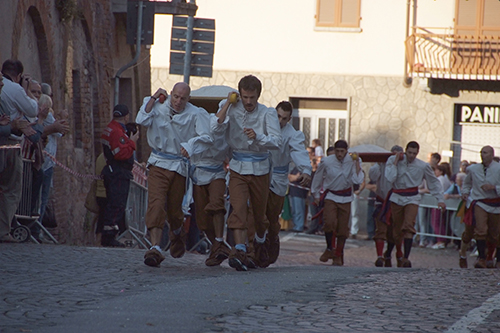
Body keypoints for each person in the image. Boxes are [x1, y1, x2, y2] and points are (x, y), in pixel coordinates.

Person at [136, 82, 212, 267]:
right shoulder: (157, 105)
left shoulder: (196, 113)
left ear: (188, 99)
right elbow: (142, 119)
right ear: (171, 94)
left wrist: (190, 145)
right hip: (158, 163)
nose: (178, 101)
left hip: (178, 166)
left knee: (174, 210)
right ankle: (155, 248)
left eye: (183, 98)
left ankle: (177, 232)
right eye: (176, 97)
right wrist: (154, 98)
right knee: (156, 204)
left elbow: (206, 137)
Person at [213, 75, 281, 271]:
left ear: (258, 95)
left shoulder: (267, 113)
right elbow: (216, 126)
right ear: (239, 94)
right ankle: (239, 249)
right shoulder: (230, 108)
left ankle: (259, 242)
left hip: (260, 168)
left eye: (252, 97)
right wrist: (228, 102)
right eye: (245, 97)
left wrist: (258, 137)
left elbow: (277, 142)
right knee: (239, 208)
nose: (248, 102)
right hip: (238, 167)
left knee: (259, 217)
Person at [263, 101, 311, 266]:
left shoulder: (292, 134)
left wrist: (305, 170)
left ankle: (272, 241)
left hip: (278, 178)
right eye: (277, 116)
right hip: (260, 174)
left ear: (289, 119)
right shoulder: (264, 126)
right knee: (255, 213)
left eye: (284, 118)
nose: (280, 121)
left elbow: (299, 151)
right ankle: (252, 249)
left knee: (272, 216)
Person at [385, 141, 446, 268]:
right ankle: (395, 253)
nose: (412, 155)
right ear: (405, 151)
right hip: (396, 197)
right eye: (409, 153)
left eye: (414, 153)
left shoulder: (422, 166)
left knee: (409, 226)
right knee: (396, 229)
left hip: (412, 197)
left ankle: (406, 258)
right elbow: (390, 178)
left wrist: (440, 199)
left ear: (417, 153)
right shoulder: (393, 160)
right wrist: (395, 162)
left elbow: (433, 182)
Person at [311, 139, 364, 266]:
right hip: (331, 196)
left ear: (347, 151)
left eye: (342, 151)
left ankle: (338, 254)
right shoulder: (327, 161)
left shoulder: (352, 160)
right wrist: (316, 194)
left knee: (342, 229)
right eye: (337, 151)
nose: (340, 154)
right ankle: (330, 248)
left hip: (346, 197)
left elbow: (357, 179)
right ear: (334, 151)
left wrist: (356, 162)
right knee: (329, 222)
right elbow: (318, 177)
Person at [190, 109, 231, 267]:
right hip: (200, 173)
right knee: (202, 220)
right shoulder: (198, 126)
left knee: (217, 205)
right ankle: (217, 247)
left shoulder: (227, 131)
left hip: (217, 172)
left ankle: (219, 241)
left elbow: (233, 149)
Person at [0, 71, 36, 242]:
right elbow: (32, 109)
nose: (2, 84)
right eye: (0, 82)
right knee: (10, 189)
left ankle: (4, 229)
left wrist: (14, 127)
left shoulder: (2, 100)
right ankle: (3, 231)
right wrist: (11, 127)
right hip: (7, 147)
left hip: (8, 145)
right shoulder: (13, 92)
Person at [100, 104, 139, 247]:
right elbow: (121, 154)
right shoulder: (117, 131)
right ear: (126, 116)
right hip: (118, 172)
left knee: (114, 203)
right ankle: (109, 236)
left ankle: (109, 234)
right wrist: (132, 142)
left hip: (113, 170)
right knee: (116, 204)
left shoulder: (111, 128)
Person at [461, 146, 500, 269]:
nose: (482, 155)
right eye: (481, 152)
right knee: (480, 230)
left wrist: (494, 187)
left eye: (485, 153)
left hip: (495, 203)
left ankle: (490, 256)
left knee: (494, 234)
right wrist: (465, 193)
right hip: (479, 202)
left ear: (492, 155)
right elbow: (467, 183)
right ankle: (481, 258)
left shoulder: (498, 168)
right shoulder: (472, 169)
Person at [370, 145, 403, 267]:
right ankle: (379, 257)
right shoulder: (382, 164)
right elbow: (372, 176)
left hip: (397, 202)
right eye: (393, 155)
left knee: (396, 232)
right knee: (381, 230)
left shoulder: (404, 166)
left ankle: (392, 254)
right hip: (382, 201)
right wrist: (379, 163)